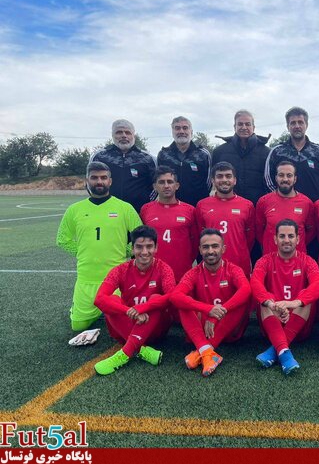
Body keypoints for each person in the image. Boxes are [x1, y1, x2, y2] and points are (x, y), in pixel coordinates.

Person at [56, 161, 142, 332]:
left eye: (103, 178)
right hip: (86, 278)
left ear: (110, 181)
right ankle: (90, 309)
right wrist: (82, 251)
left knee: (126, 326)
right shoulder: (75, 209)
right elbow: (62, 240)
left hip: (116, 280)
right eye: (94, 178)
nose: (99, 181)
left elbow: (140, 237)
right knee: (78, 326)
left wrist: (125, 252)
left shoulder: (124, 208)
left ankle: (107, 309)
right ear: (87, 180)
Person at [93, 225, 175, 375]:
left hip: (155, 329)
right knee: (112, 300)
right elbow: (99, 299)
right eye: (139, 247)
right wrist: (129, 311)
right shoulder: (120, 270)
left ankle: (125, 354)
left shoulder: (164, 268)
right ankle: (141, 349)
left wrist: (143, 308)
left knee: (157, 299)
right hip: (128, 326)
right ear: (132, 249)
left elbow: (172, 297)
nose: (144, 252)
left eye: (149, 246)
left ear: (156, 248)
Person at [171, 229, 252, 377]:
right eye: (206, 247)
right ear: (200, 250)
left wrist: (217, 314)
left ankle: (202, 351)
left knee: (242, 300)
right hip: (203, 331)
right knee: (183, 304)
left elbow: (246, 290)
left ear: (223, 248)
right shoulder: (194, 273)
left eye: (215, 246)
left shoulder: (233, 269)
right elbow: (175, 296)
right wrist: (208, 309)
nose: (210, 251)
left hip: (228, 329)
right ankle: (207, 352)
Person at [251, 219, 319, 375]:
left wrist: (293, 303)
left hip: (299, 324)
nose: (286, 240)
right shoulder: (264, 261)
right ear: (275, 239)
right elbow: (255, 283)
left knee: (306, 297)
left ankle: (275, 350)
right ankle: (285, 353)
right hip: (272, 319)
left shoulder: (308, 261)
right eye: (282, 236)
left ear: (298, 239)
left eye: (291, 236)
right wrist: (272, 305)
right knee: (264, 299)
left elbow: (317, 285)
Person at [195, 162, 255, 277]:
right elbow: (200, 235)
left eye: (228, 176)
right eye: (219, 176)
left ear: (234, 180)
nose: (224, 180)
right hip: (212, 265)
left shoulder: (247, 205)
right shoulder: (202, 205)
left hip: (240, 265)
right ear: (213, 180)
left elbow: (250, 238)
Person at [140, 166, 199, 283]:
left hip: (181, 274)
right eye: (161, 182)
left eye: (170, 182)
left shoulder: (190, 210)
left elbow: (195, 242)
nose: (166, 186)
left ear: (177, 185)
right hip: (152, 273)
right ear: (155, 186)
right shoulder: (146, 209)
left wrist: (185, 260)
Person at [264, 107, 319, 202]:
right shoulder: (277, 151)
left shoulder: (318, 152)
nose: (297, 126)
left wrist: (317, 199)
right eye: (293, 123)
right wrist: (281, 199)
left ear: (306, 125)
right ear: (288, 126)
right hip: (284, 206)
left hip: (312, 206)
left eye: (300, 122)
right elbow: (268, 181)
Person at [90, 119, 156, 212]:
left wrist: (147, 204)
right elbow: (90, 183)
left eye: (128, 133)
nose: (124, 135)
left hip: (139, 212)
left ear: (133, 136)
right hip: (106, 211)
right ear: (112, 135)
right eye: (119, 132)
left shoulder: (148, 159)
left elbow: (156, 186)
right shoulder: (99, 157)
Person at [211, 110, 271, 206]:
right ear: (234, 127)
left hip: (257, 205)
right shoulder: (220, 152)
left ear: (253, 127)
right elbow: (213, 181)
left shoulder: (266, 153)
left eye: (247, 124)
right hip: (226, 205)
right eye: (240, 124)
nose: (244, 127)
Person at [256, 161, 315, 255]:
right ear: (276, 178)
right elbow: (259, 231)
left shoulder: (306, 203)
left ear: (295, 179)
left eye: (289, 175)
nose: (285, 179)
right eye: (281, 175)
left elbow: (311, 232)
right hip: (271, 259)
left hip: (298, 259)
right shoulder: (264, 201)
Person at [157, 116, 212, 206]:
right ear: (172, 132)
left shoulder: (203, 154)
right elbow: (159, 181)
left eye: (185, 128)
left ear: (191, 132)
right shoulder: (163, 155)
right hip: (171, 207)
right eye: (177, 128)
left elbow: (209, 183)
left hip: (197, 207)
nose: (181, 131)